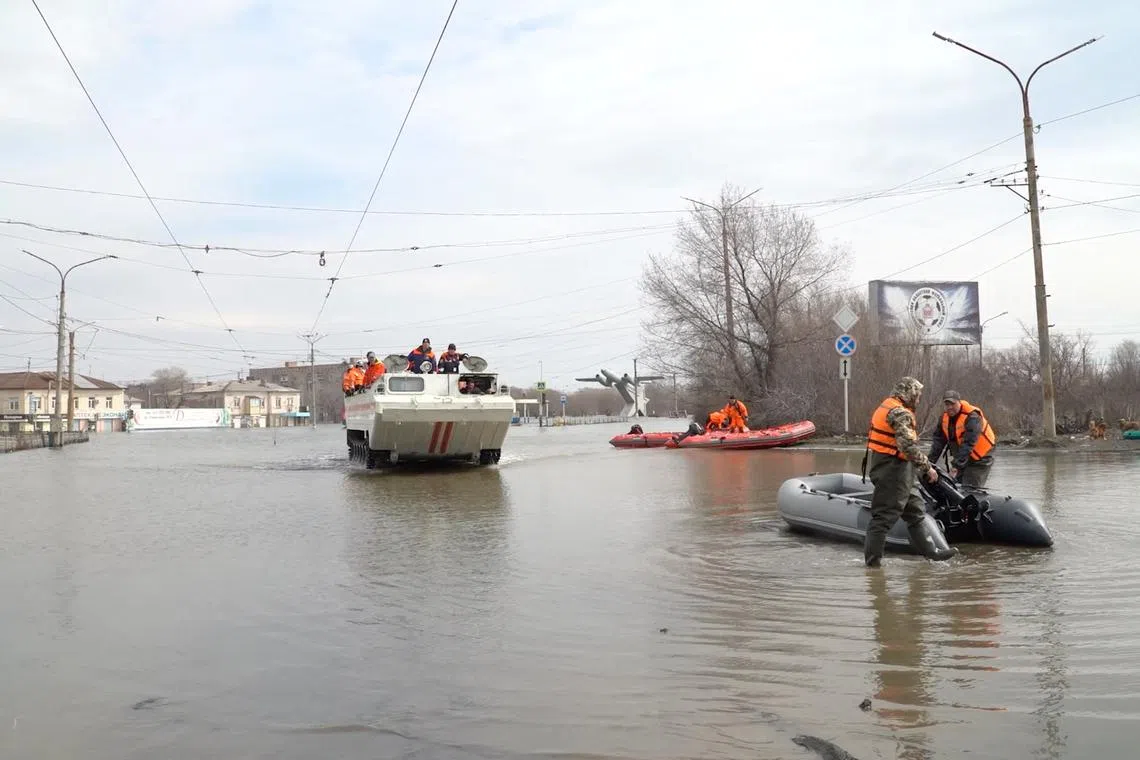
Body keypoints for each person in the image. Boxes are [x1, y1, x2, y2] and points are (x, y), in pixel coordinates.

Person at [863, 376, 956, 567]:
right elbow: (907, 446)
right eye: (918, 394)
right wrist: (927, 467)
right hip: (892, 470)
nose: (919, 399)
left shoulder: (888, 406)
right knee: (883, 517)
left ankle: (932, 553)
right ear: (909, 393)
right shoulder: (899, 413)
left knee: (915, 511)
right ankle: (873, 566)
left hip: (899, 469)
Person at [928, 390, 996, 488]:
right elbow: (938, 444)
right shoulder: (943, 418)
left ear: (959, 402)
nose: (950, 407)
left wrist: (955, 467)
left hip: (981, 458)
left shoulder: (972, 417)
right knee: (954, 485)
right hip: (962, 457)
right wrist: (929, 464)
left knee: (970, 487)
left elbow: (968, 443)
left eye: (953, 404)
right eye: (947, 404)